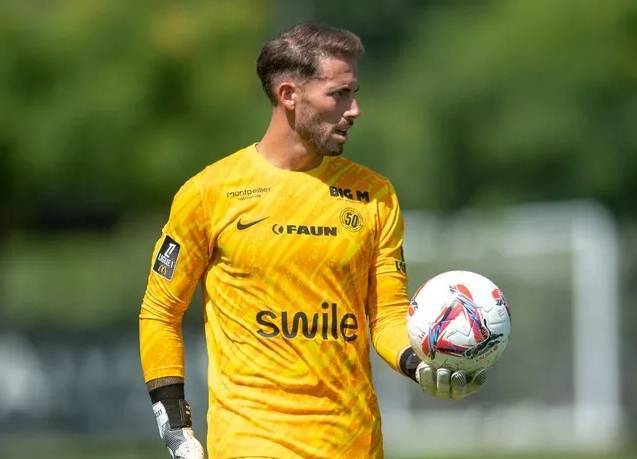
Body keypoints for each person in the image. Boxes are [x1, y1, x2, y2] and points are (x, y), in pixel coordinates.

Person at [139, 22, 486, 459]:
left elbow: (386, 316)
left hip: (354, 444)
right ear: (289, 95)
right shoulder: (210, 193)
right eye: (339, 94)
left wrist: (420, 366)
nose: (354, 109)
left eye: (354, 92)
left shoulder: (374, 195)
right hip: (252, 443)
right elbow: (160, 312)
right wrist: (175, 425)